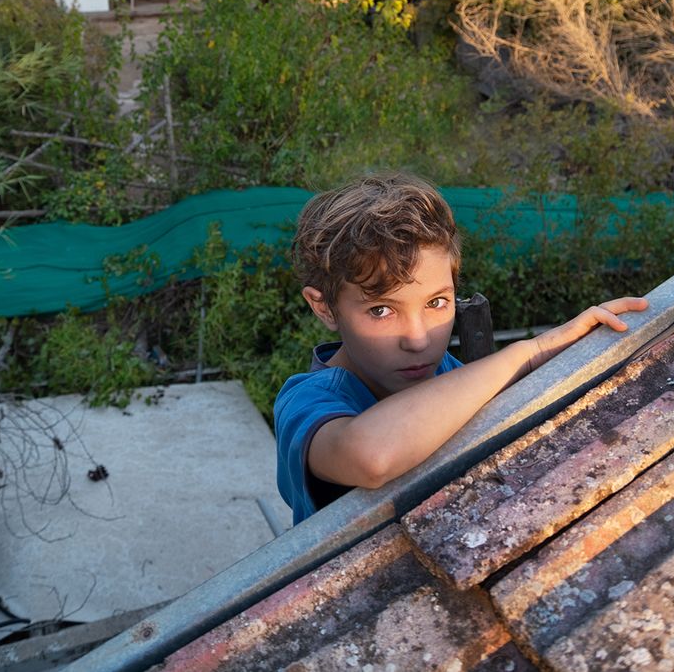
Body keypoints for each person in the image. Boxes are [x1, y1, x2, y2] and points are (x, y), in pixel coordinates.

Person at [274, 173, 648, 524]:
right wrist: (526, 354)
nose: (419, 340)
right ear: (324, 306)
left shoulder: (447, 370)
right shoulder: (306, 403)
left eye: (436, 303)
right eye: (382, 310)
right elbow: (371, 457)